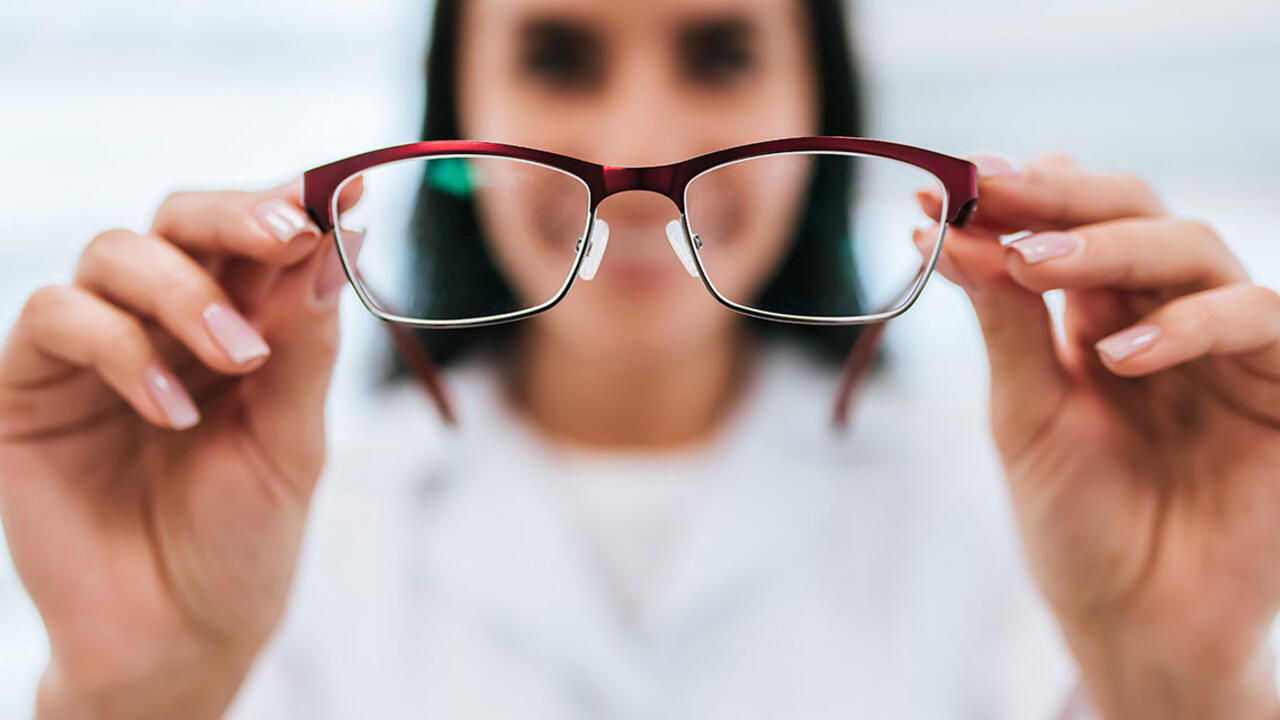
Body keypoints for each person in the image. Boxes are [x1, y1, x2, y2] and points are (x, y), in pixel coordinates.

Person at [1, 0, 1278, 718]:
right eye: (557, 55)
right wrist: (131, 701)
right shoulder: (279, 542)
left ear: (818, 113)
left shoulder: (1005, 524)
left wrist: (1173, 685)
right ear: (455, 131)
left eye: (719, 51)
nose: (637, 160)